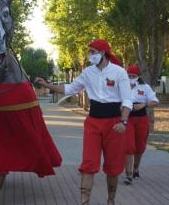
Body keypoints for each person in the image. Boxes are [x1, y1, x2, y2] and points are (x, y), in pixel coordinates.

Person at [36, 39, 132, 205]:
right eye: (90, 52)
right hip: (93, 122)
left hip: (114, 124)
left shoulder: (119, 72)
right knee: (88, 164)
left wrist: (123, 122)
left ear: (103, 53)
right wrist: (48, 85)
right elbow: (70, 89)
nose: (90, 55)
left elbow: (127, 100)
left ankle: (111, 200)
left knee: (113, 167)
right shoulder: (88, 73)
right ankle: (84, 202)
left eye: (93, 52)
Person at [123, 65, 159, 185]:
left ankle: (135, 168)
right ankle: (128, 174)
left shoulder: (145, 87)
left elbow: (155, 102)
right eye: (129, 76)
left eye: (133, 76)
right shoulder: (122, 85)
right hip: (127, 118)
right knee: (129, 146)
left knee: (140, 146)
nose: (131, 78)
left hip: (141, 119)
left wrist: (144, 104)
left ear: (138, 76)